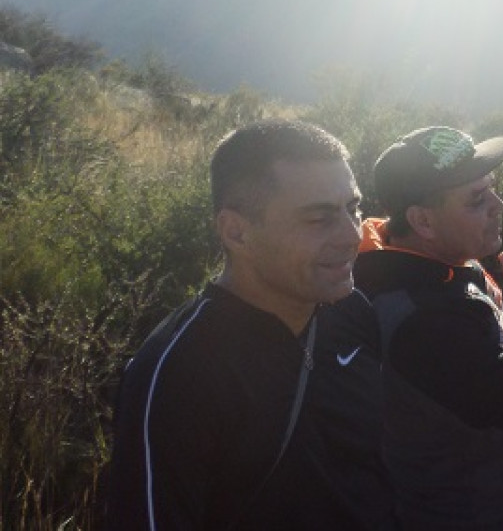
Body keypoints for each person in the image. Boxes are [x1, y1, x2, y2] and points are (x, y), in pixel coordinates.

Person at [106, 119, 394, 529]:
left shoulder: (351, 313)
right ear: (236, 232)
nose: (352, 235)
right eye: (319, 219)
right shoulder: (178, 373)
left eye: (353, 208)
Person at [352, 126, 503, 530]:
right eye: (477, 200)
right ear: (423, 221)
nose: (500, 205)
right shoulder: (426, 322)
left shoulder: (438, 265)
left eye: (492, 188)